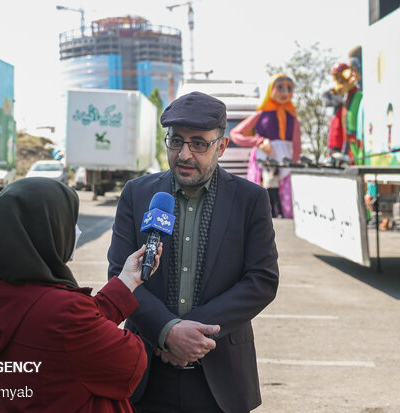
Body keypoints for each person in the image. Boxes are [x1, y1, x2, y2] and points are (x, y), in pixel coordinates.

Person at [107, 91, 280, 413]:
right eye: (176, 141)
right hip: (145, 373)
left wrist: (187, 335)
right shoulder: (136, 194)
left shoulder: (250, 199)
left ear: (222, 146)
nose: (185, 154)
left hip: (221, 378)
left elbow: (261, 280)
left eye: (199, 143)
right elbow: (120, 273)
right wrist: (166, 330)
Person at [0, 177, 162, 413]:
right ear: (45, 231)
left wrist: (126, 281)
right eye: (70, 221)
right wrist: (165, 333)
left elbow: (69, 340)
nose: (77, 231)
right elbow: (129, 363)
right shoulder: (62, 312)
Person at [230, 73, 301, 218]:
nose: (285, 92)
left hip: (286, 162)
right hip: (263, 161)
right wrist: (259, 142)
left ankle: (283, 214)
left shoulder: (292, 117)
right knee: (262, 192)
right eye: (280, 87)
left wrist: (296, 163)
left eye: (289, 88)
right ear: (271, 89)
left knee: (285, 194)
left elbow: (297, 144)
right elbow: (235, 133)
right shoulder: (261, 114)